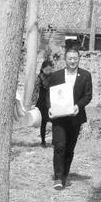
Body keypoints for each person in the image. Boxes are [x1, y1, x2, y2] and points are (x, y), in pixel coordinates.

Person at [46, 48, 92, 190]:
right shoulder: (56, 76)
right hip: (59, 118)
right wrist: (50, 108)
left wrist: (78, 106)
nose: (72, 61)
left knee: (69, 149)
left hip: (75, 117)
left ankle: (65, 174)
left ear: (79, 59)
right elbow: (49, 95)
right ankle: (58, 177)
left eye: (75, 58)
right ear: (65, 60)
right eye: (70, 58)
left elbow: (88, 96)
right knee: (59, 146)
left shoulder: (85, 75)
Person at [34, 60, 54, 147]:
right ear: (42, 69)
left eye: (50, 70)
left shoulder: (54, 76)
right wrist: (33, 102)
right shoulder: (39, 78)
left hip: (52, 102)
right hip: (42, 103)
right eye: (46, 70)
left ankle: (54, 141)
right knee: (43, 123)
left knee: (55, 122)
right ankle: (43, 141)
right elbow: (35, 91)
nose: (48, 72)